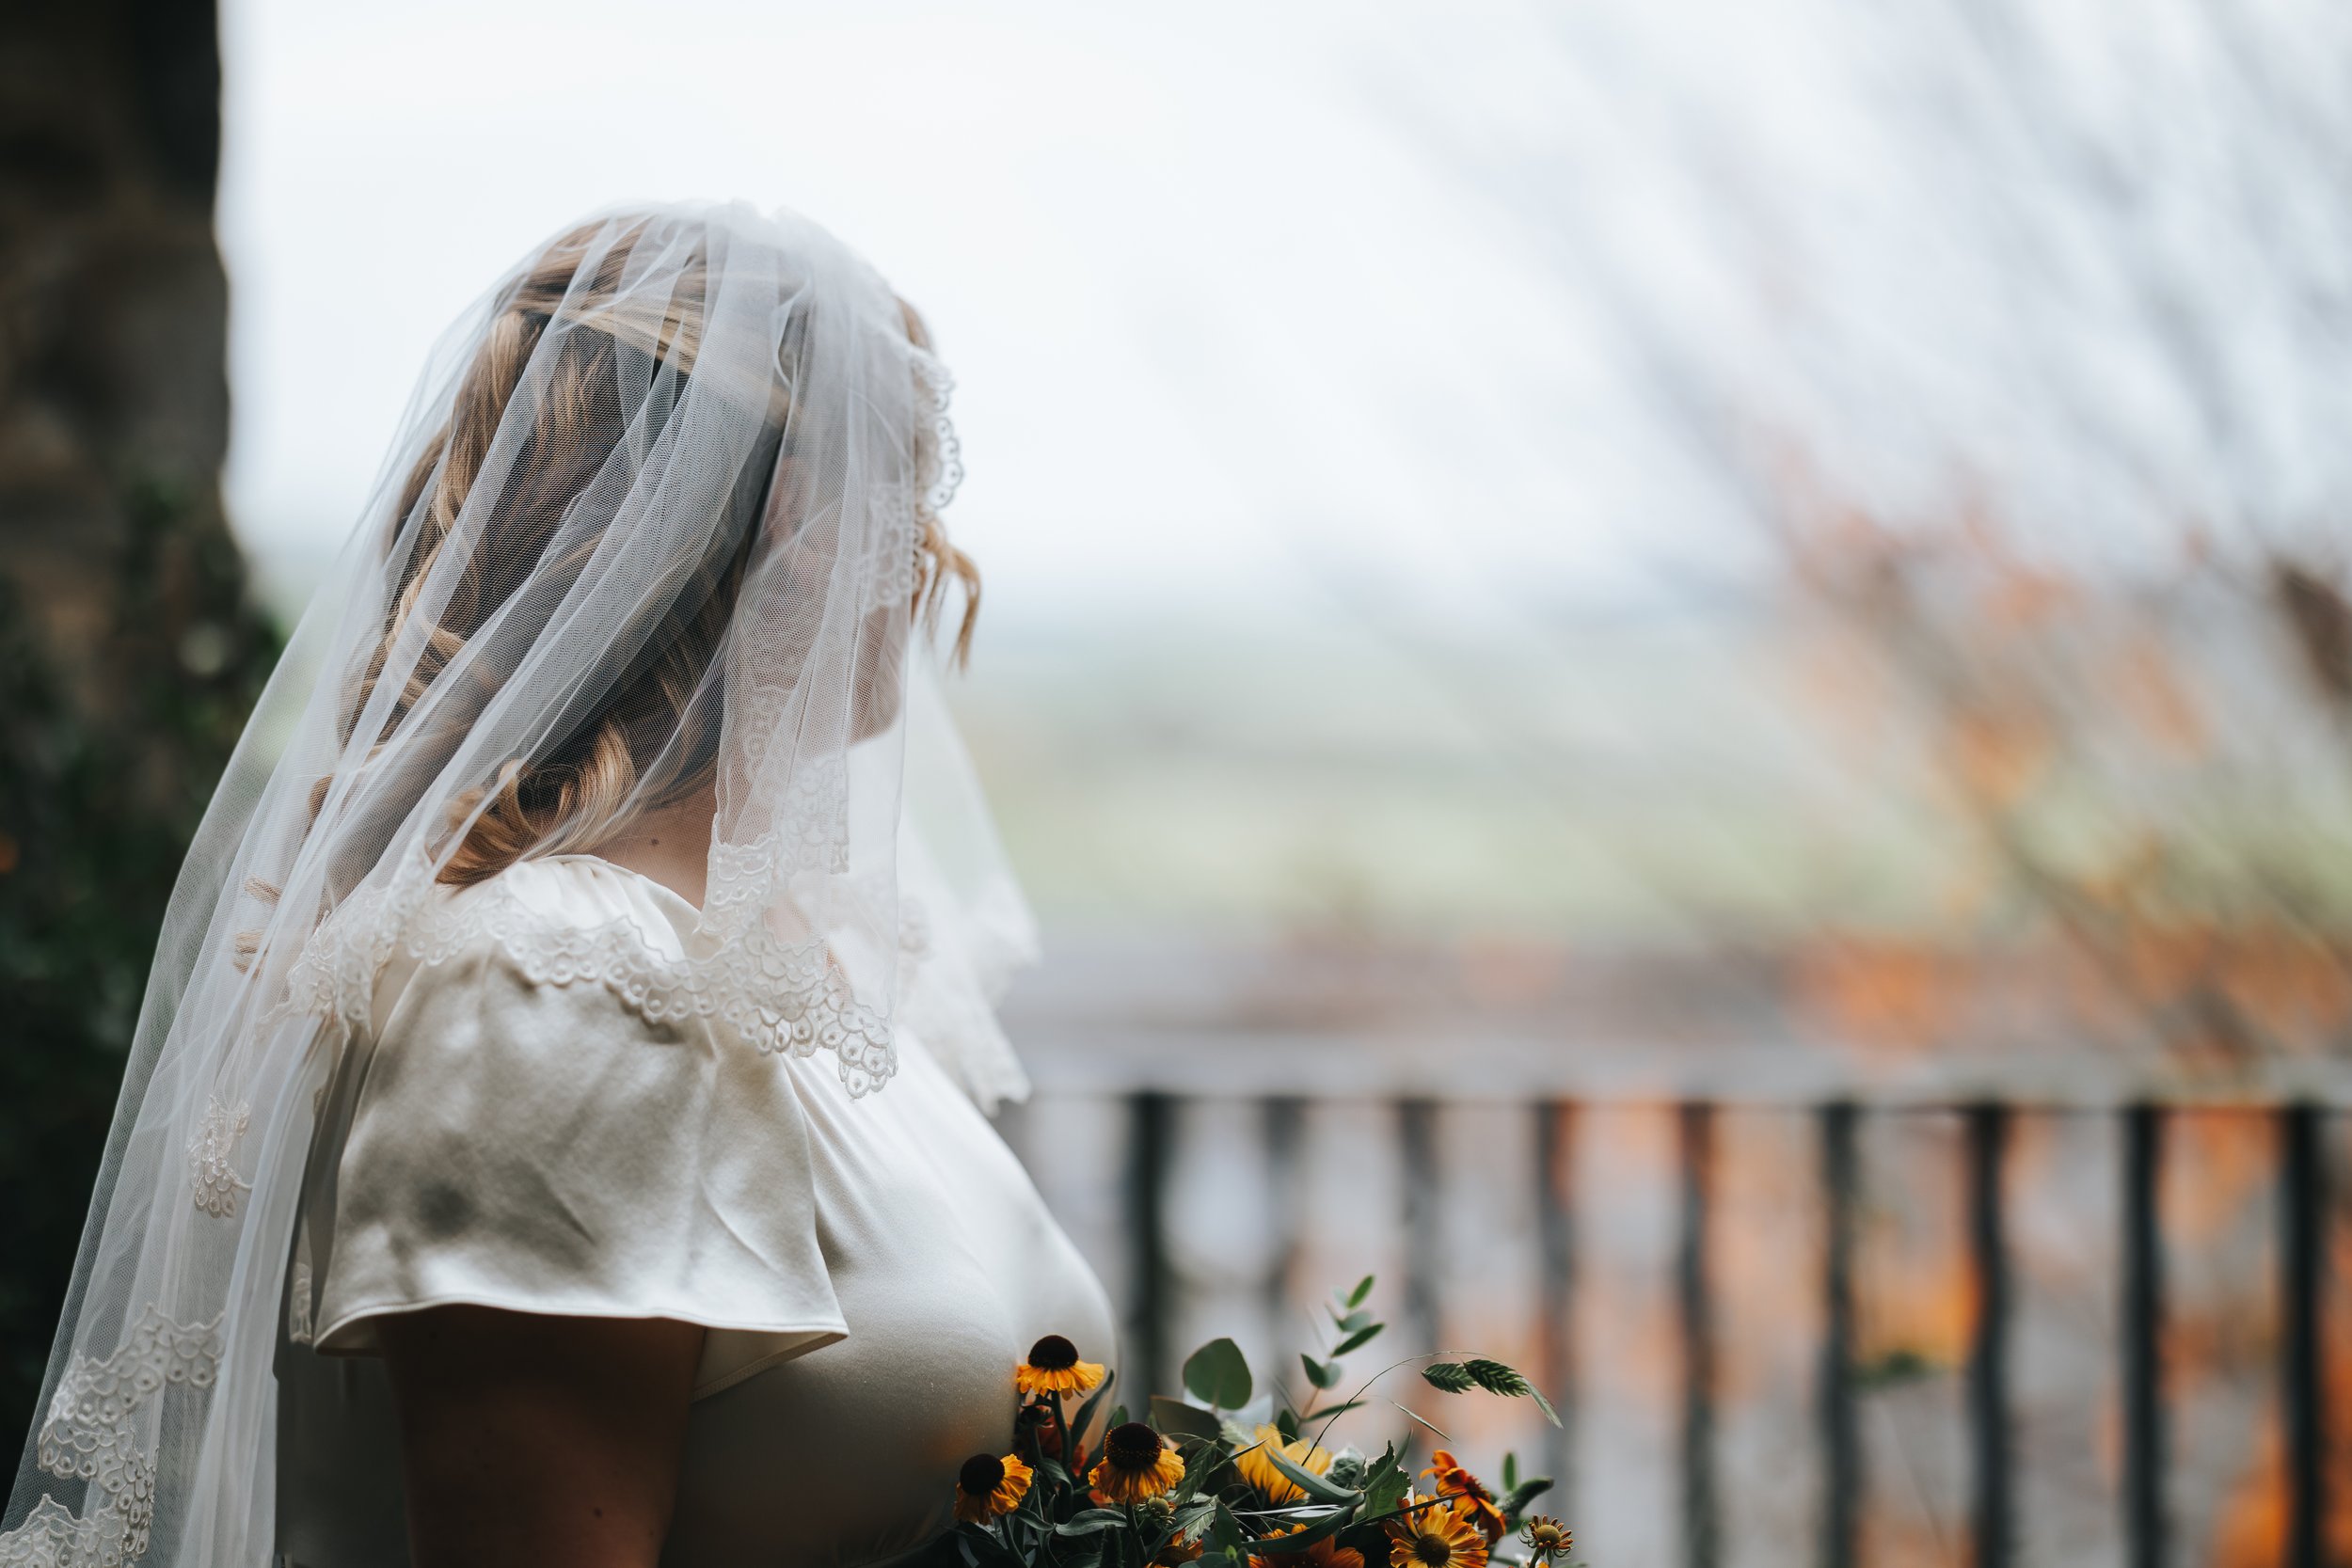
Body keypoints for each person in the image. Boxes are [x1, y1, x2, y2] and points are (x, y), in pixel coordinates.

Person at [1, 202, 1115, 1568]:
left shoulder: (785, 958)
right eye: (898, 494)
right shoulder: (545, 989)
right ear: (768, 539)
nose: (935, 559)